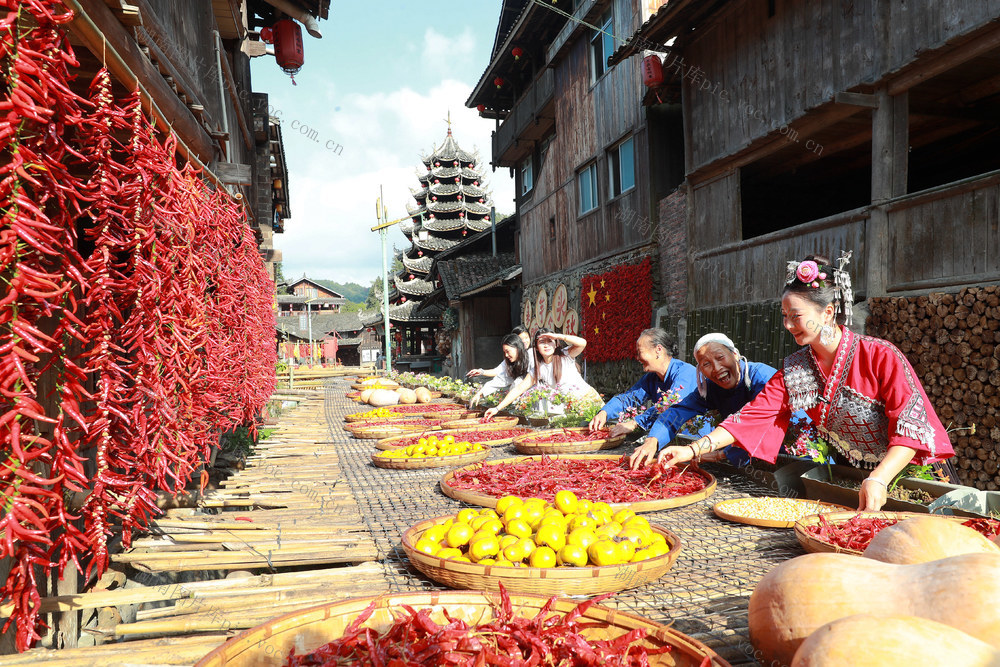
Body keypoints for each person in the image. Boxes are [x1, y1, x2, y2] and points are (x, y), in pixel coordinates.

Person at [654, 252, 955, 511]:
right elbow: (751, 417)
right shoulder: (797, 370)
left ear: (827, 312)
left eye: (795, 316)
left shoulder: (880, 355)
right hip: (853, 477)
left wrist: (879, 477)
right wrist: (692, 450)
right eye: (784, 316)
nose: (787, 325)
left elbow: (912, 429)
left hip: (910, 477)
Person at [628, 332, 787, 469]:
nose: (717, 368)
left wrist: (720, 454)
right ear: (700, 371)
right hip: (752, 462)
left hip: (793, 457)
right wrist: (653, 440)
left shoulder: (763, 377)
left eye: (720, 357)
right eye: (706, 364)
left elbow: (756, 424)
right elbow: (679, 411)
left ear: (735, 355)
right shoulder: (711, 388)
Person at [588, 328, 703, 439]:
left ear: (658, 350)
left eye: (640, 352)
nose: (637, 358)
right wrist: (604, 412)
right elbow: (628, 398)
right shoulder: (651, 378)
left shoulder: (686, 373)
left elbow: (669, 405)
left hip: (694, 439)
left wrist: (634, 423)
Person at [484, 328, 600, 419]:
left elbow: (582, 343)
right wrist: (497, 408)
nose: (546, 345)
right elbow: (519, 389)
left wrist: (558, 336)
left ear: (555, 344)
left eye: (550, 341)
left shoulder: (565, 355)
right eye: (542, 342)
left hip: (587, 402)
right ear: (536, 347)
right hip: (572, 409)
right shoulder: (538, 369)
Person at [467, 334, 533, 406]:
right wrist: (479, 394)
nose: (506, 355)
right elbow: (499, 380)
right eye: (504, 352)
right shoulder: (512, 364)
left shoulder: (532, 356)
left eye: (508, 351)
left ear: (517, 348)